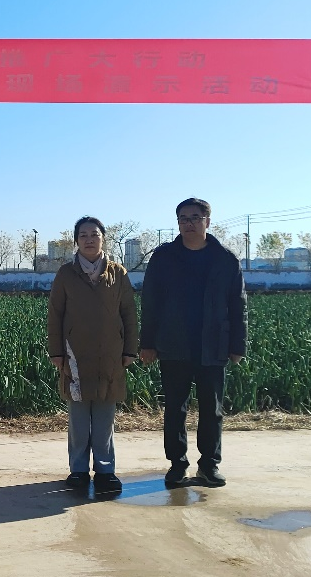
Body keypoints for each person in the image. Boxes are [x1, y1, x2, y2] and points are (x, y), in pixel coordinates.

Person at [139, 197, 247, 488]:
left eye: (195, 218)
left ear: (207, 221)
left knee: (212, 409)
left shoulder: (225, 259)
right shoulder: (164, 257)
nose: (189, 224)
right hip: (173, 344)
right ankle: (177, 464)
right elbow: (150, 302)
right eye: (183, 219)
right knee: (175, 408)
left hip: (213, 344)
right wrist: (147, 343)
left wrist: (237, 346)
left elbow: (238, 306)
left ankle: (209, 465)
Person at [47, 217, 138, 495]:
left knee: (104, 415)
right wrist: (57, 352)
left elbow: (129, 313)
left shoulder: (118, 273)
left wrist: (130, 349)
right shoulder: (66, 274)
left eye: (94, 234)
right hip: (74, 355)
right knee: (78, 416)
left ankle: (105, 470)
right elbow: (55, 315)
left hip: (110, 354)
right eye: (83, 235)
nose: (89, 239)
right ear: (76, 240)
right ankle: (78, 470)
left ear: (103, 239)